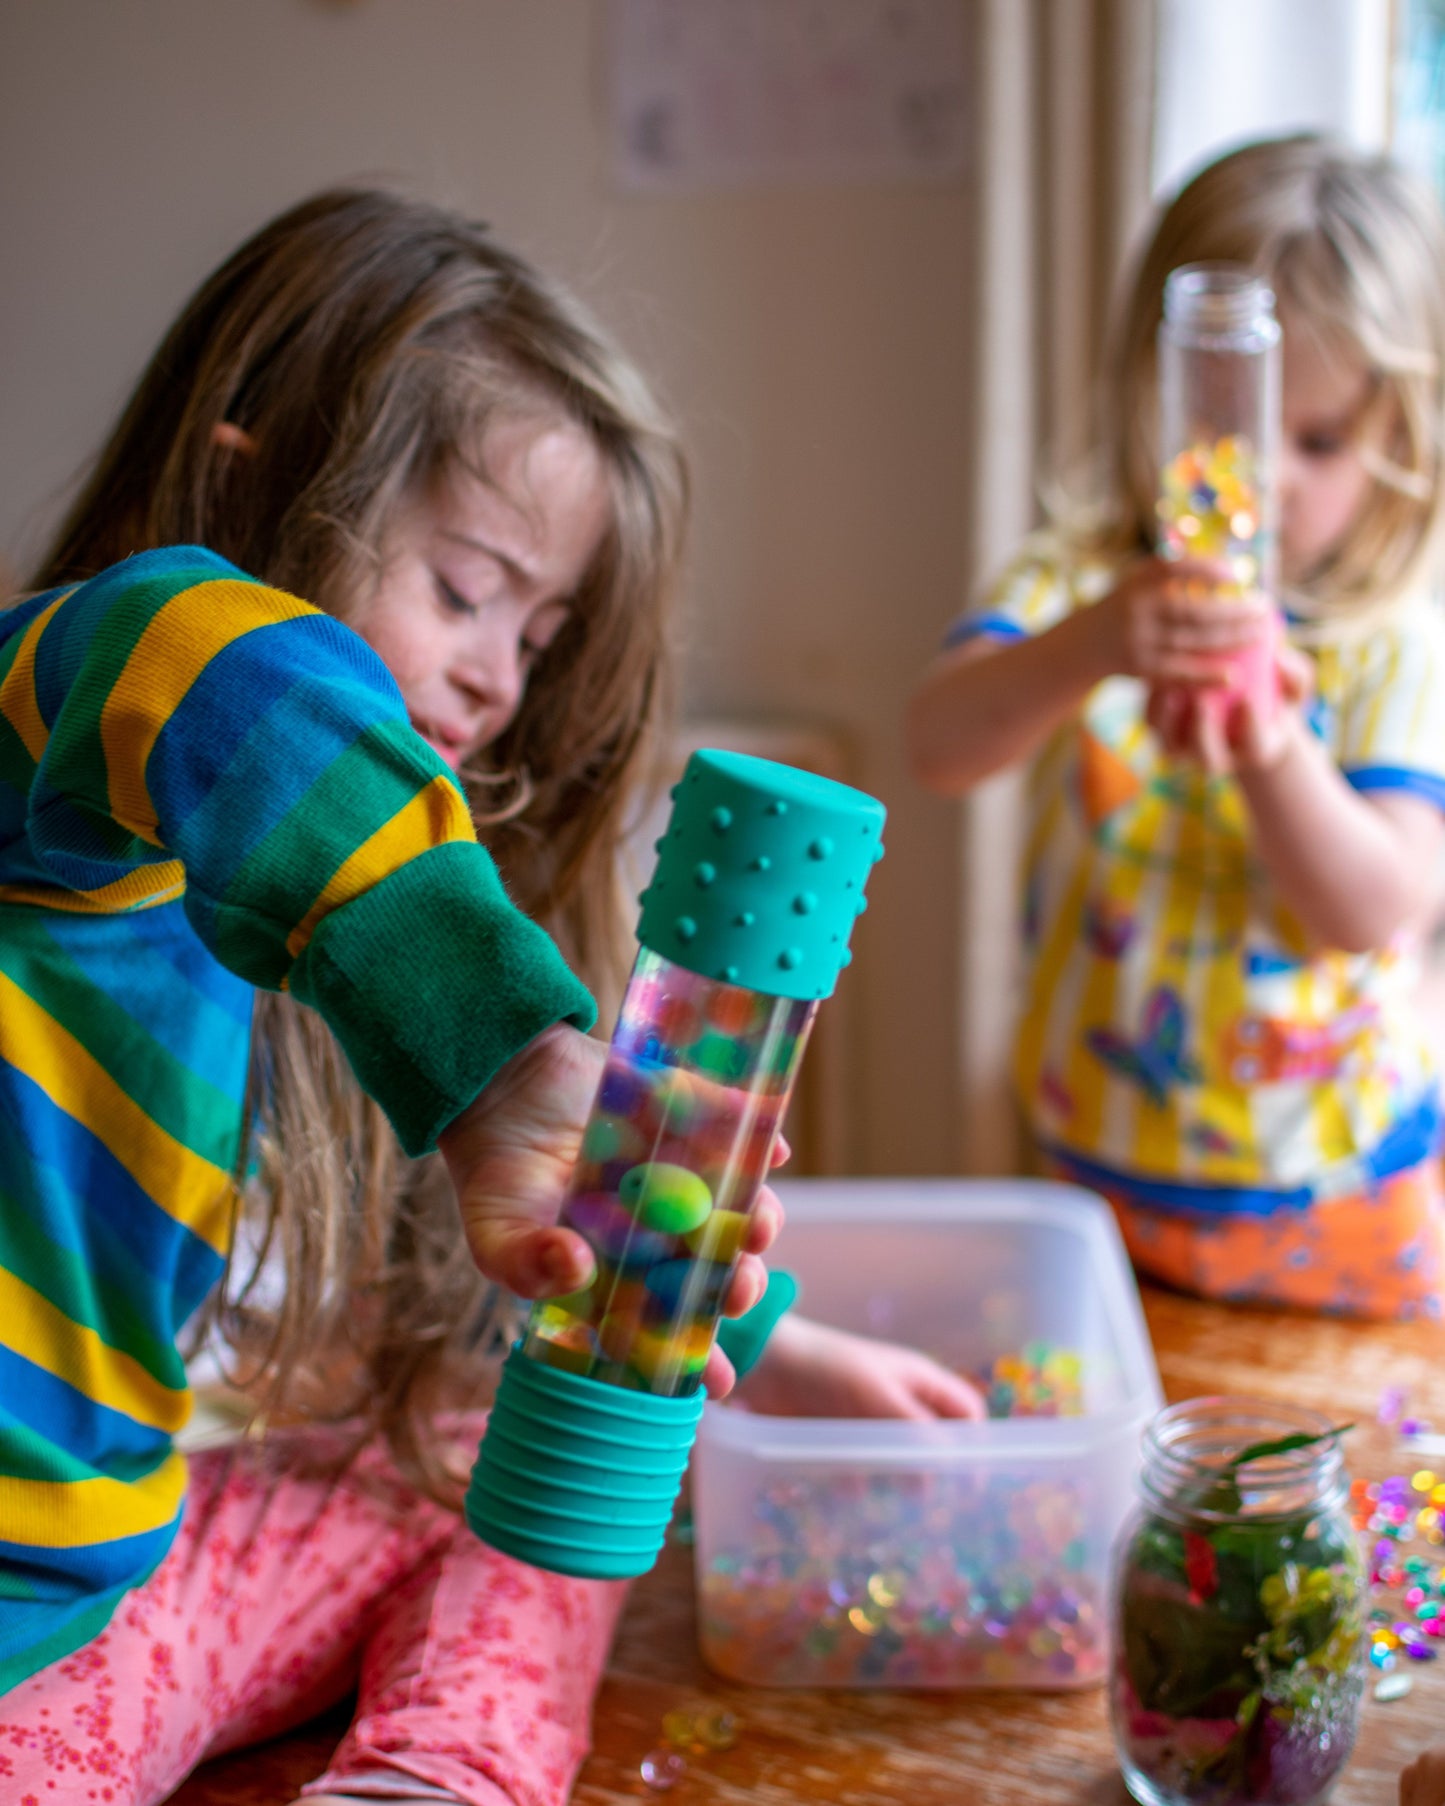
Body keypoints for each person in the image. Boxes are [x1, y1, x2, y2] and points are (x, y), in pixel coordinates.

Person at [0, 188, 978, 1806]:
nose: (499, 679)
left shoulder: (323, 934)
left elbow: (495, 1244)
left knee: (490, 1457)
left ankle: (436, 1781)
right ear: (239, 499)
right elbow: (217, 664)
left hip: (131, 1548)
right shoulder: (55, 738)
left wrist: (780, 1348)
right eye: (463, 591)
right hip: (36, 1633)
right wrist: (503, 1050)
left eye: (538, 631)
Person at [908, 135, 1445, 1322]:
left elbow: (1372, 908)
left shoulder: (1386, 642)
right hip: (1094, 1160)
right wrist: (1093, 641)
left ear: (1398, 443)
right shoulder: (1080, 584)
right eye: (1226, 434)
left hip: (1330, 1192)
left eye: (1316, 443)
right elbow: (940, 746)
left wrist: (1269, 743)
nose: (1262, 481)